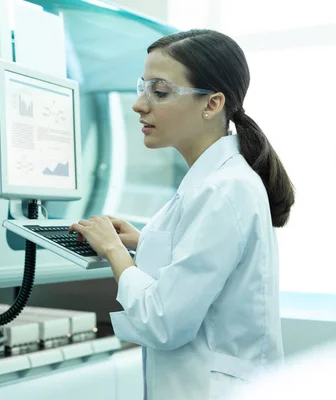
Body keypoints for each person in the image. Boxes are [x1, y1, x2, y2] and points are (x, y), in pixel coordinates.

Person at [69, 29, 295, 400]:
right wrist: (145, 244)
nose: (139, 105)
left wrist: (114, 251)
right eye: (142, 88)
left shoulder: (223, 189)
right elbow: (206, 265)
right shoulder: (218, 181)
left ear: (212, 104)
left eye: (159, 92)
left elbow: (163, 322)